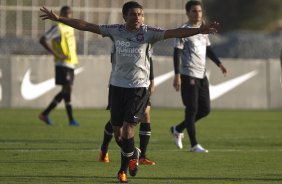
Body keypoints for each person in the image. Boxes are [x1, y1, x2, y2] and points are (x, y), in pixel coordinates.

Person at [40, 1, 218, 183]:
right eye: (133, 14)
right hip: (117, 88)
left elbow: (175, 32)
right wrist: (59, 19)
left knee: (127, 130)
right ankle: (134, 153)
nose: (138, 18)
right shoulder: (115, 30)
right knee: (118, 134)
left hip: (138, 88)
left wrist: (199, 30)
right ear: (125, 16)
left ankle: (122, 171)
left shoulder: (149, 33)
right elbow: (87, 26)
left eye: (140, 14)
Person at [170, 0, 227, 153]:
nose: (198, 14)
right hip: (189, 75)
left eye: (200, 11)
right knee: (192, 109)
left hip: (202, 75)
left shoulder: (203, 30)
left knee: (205, 110)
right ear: (187, 13)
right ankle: (194, 145)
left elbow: (208, 49)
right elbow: (177, 53)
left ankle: (178, 129)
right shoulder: (183, 30)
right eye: (194, 11)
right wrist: (177, 75)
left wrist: (219, 64)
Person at [99, 55, 156, 166]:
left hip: (140, 83)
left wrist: (152, 81)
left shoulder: (143, 38)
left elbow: (148, 56)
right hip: (120, 84)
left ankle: (142, 156)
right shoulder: (119, 39)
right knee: (117, 123)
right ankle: (105, 149)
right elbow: (115, 62)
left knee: (146, 113)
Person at [38, 6, 79, 126]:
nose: (68, 16)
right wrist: (56, 54)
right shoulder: (58, 27)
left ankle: (45, 114)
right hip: (62, 63)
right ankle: (70, 119)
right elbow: (42, 39)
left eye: (70, 14)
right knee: (67, 88)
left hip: (70, 63)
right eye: (65, 14)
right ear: (60, 14)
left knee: (66, 90)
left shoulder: (70, 28)